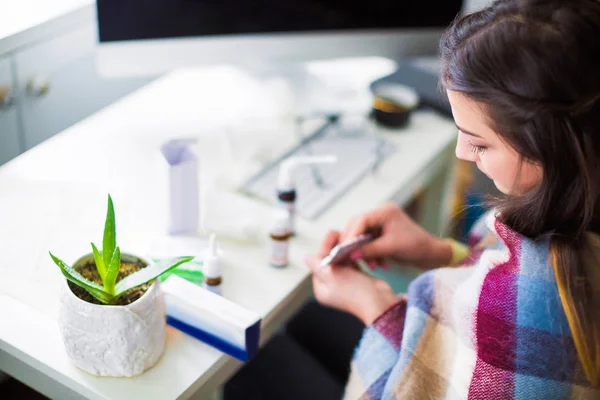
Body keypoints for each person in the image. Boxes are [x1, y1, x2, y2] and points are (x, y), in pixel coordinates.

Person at [226, 0, 600, 398]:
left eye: (479, 143)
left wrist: (377, 308)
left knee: (251, 363)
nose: (462, 152)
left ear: (550, 147)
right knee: (304, 319)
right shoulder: (577, 210)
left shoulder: (545, 301)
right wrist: (439, 252)